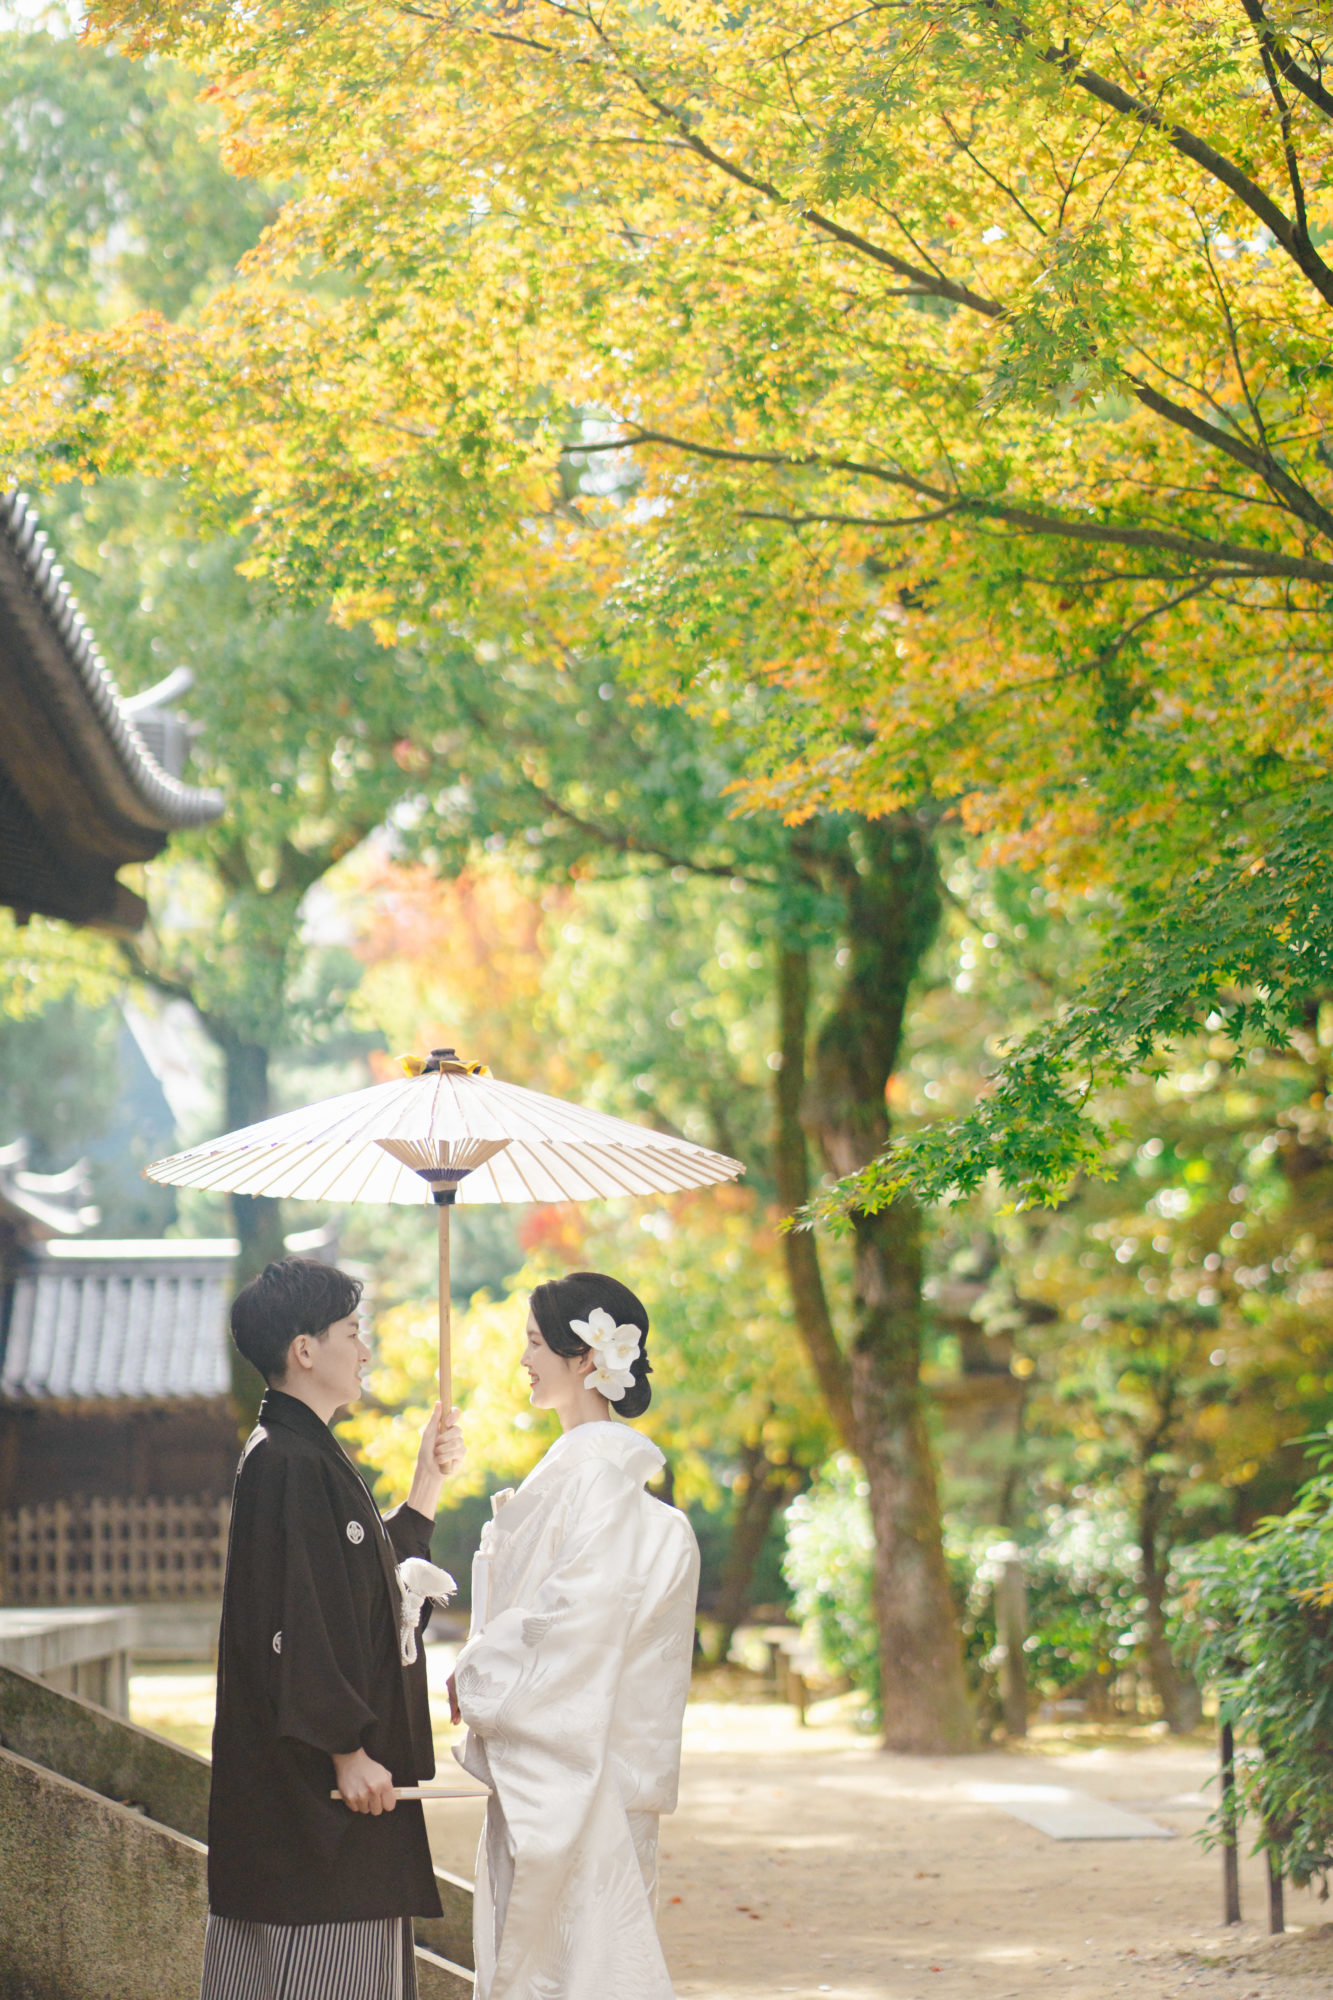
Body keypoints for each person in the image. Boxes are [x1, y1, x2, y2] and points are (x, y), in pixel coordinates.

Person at [201, 1256, 464, 2000]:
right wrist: (346, 1750)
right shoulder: (287, 1459)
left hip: (322, 1785)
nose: (365, 1349)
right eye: (352, 1331)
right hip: (317, 1788)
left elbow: (359, 1589)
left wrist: (427, 1483)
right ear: (304, 1350)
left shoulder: (301, 1452)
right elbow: (297, 1620)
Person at [450, 1270, 700, 2000]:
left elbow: (574, 1625)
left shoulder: (597, 1481)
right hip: (563, 1764)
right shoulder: (584, 1476)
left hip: (585, 1771)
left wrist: (479, 1672)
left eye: (535, 1342)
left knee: (574, 1972)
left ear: (587, 1355)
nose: (524, 1359)